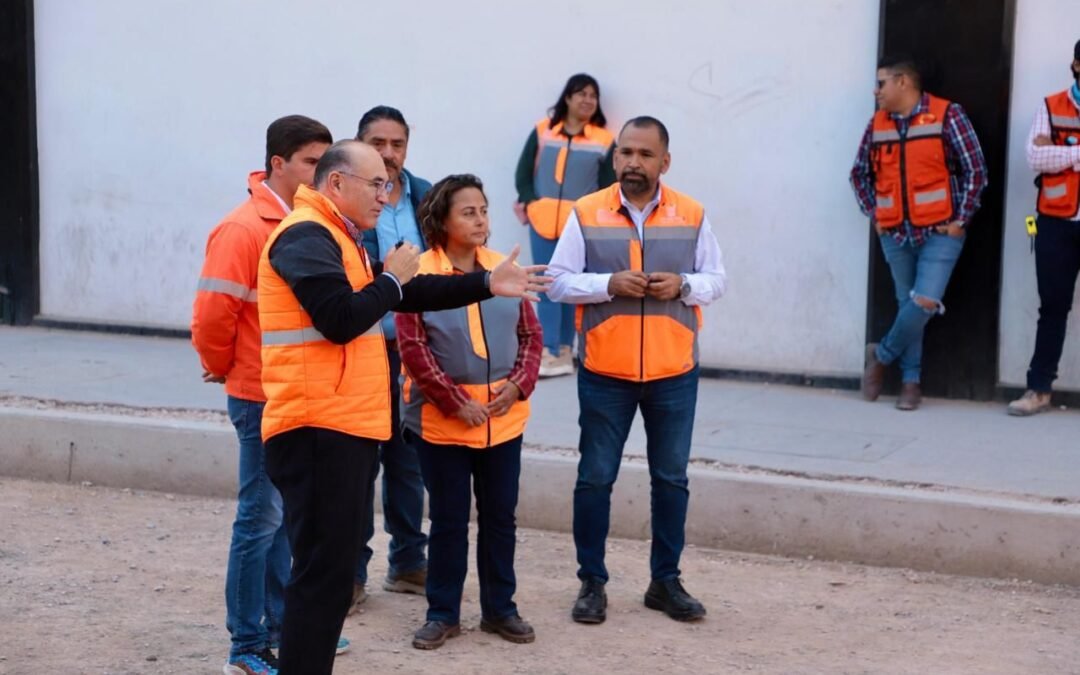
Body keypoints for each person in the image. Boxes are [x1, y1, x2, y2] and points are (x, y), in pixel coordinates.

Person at [258, 140, 550, 674]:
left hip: (341, 423)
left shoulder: (339, 237)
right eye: (376, 184)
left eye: (388, 183)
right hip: (316, 425)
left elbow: (411, 294)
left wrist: (487, 282)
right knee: (322, 574)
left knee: (330, 569)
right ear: (336, 184)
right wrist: (391, 278)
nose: (386, 195)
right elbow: (341, 317)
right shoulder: (305, 234)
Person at [547, 117, 726, 625]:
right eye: (625, 152)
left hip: (674, 370)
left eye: (645, 154)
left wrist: (685, 286)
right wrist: (609, 283)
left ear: (664, 162)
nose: (632, 162)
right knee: (594, 478)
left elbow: (718, 278)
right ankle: (591, 583)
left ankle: (665, 582)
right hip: (606, 370)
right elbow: (558, 283)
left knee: (671, 480)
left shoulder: (691, 213)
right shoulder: (586, 211)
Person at [191, 115, 331, 675]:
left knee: (282, 518)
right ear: (278, 163)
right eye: (311, 163)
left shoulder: (306, 220)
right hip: (259, 394)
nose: (322, 174)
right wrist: (222, 366)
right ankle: (245, 646)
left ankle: (282, 630)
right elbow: (210, 316)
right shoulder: (245, 227)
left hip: (293, 393)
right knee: (259, 519)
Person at [397, 174, 543, 650]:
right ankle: (442, 613)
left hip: (503, 423)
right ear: (441, 220)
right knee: (448, 520)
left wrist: (519, 385)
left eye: (483, 210)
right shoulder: (418, 275)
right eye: (468, 212)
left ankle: (500, 610)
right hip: (443, 425)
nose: (481, 220)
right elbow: (414, 347)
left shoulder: (504, 267)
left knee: (501, 517)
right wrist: (454, 400)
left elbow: (531, 336)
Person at [850, 54, 988, 411]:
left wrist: (961, 219)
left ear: (903, 82)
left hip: (941, 231)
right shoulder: (877, 124)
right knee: (906, 305)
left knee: (924, 301)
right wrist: (875, 213)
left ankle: (880, 355)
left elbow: (976, 170)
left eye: (881, 83)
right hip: (894, 233)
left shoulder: (947, 115)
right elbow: (858, 175)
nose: (875, 91)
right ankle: (910, 383)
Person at [350, 106, 431, 609]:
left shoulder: (425, 195)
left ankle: (408, 563)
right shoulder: (346, 198)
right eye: (377, 143)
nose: (388, 153)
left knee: (409, 462)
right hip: (363, 348)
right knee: (360, 466)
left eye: (396, 143)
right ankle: (351, 574)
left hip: (415, 350)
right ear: (359, 144)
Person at [514, 73, 616, 378]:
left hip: (580, 224)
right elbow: (523, 172)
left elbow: (609, 184)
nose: (587, 100)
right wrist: (531, 202)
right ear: (567, 98)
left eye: (592, 95)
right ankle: (548, 349)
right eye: (581, 93)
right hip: (542, 220)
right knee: (545, 283)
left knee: (573, 285)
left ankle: (565, 351)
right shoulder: (544, 131)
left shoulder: (603, 140)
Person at [1008, 39, 1080, 416]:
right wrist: (1077, 153)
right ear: (1077, 65)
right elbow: (1035, 155)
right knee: (1053, 307)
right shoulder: (1052, 105)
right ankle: (1038, 389)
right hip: (1055, 221)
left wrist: (1061, 153)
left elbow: (1048, 153)